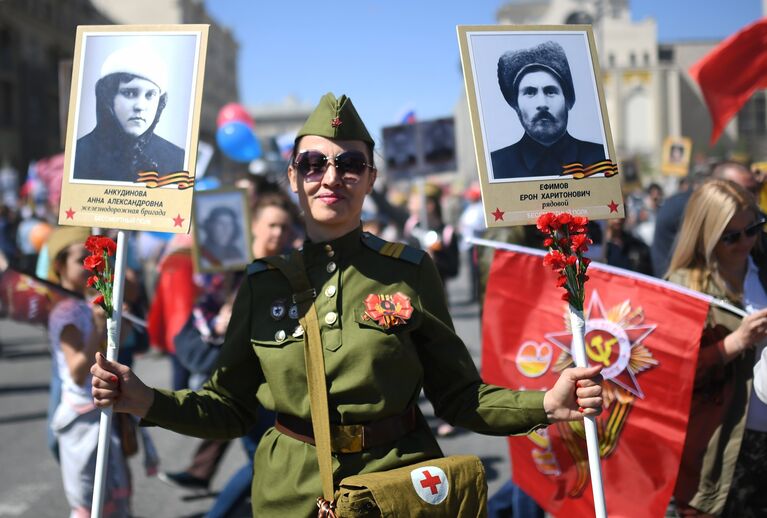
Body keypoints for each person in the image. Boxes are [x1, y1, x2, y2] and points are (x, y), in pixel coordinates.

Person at [91, 92, 603, 517]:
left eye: (350, 163)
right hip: (291, 493)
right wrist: (145, 401)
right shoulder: (260, 284)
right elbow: (229, 408)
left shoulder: (410, 271)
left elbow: (458, 398)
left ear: (371, 179)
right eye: (313, 164)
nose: (331, 177)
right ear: (294, 178)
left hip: (396, 488)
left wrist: (545, 404)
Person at [666, 179, 767, 516]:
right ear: (706, 234)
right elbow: (669, 375)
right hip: (721, 447)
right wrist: (734, 344)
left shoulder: (762, 269)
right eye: (731, 236)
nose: (746, 242)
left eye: (752, 228)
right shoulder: (683, 286)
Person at [47, 226, 132, 517]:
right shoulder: (65, 313)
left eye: (93, 256)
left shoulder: (84, 305)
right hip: (82, 420)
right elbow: (76, 371)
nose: (89, 264)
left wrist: (117, 323)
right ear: (59, 266)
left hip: (100, 411)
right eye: (80, 258)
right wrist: (99, 329)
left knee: (112, 492)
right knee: (89, 499)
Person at [492, 41, 605, 179]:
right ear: (516, 106)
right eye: (530, 92)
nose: (542, 104)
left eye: (551, 91)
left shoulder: (601, 159)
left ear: (568, 101)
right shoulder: (495, 166)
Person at [73, 45, 184, 183]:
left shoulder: (177, 159)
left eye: (150, 95)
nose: (140, 106)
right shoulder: (77, 154)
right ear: (108, 97)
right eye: (130, 93)